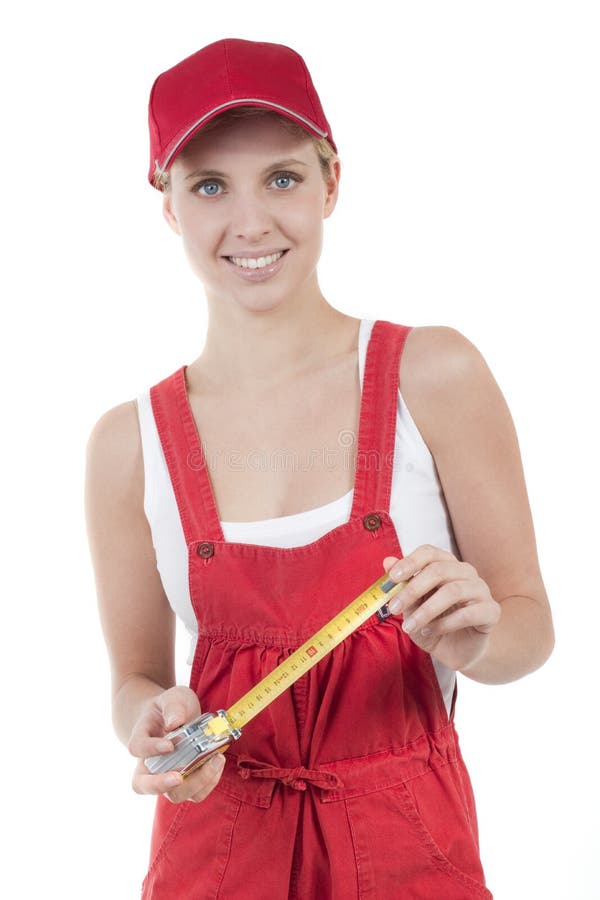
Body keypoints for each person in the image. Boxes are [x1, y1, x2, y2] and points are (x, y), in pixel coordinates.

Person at [84, 37, 554, 899]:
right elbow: (133, 680)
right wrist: (148, 724)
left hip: (412, 858)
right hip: (214, 861)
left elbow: (528, 631)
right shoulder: (129, 442)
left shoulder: (435, 375)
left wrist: (477, 640)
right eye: (211, 185)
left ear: (332, 182)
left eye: (284, 178)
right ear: (168, 206)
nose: (251, 222)